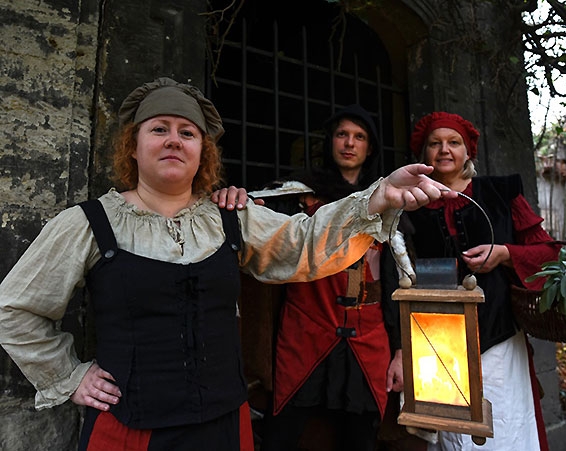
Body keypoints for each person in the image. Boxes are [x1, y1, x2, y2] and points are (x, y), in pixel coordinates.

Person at [0, 77, 454, 451]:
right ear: (133, 147)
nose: (174, 140)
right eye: (159, 129)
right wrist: (70, 375)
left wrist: (378, 196)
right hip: (129, 430)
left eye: (187, 133)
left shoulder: (230, 217)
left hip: (223, 427)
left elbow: (304, 244)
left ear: (203, 152)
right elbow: (14, 309)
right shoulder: (87, 223)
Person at [255, 104, 408, 451]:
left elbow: (394, 282)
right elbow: (261, 228)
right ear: (330, 141)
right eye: (342, 134)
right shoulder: (298, 195)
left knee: (360, 439)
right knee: (282, 437)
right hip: (305, 334)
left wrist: (400, 351)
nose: (349, 143)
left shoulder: (387, 201)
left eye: (359, 137)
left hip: (368, 341)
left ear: (370, 148)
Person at [405, 112, 559, 451]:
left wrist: (504, 253)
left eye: (454, 142)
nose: (444, 150)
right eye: (435, 143)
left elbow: (548, 253)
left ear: (468, 152)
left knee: (504, 427)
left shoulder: (500, 193)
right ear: (423, 154)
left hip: (498, 336)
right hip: (439, 340)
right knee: (454, 433)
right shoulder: (411, 205)